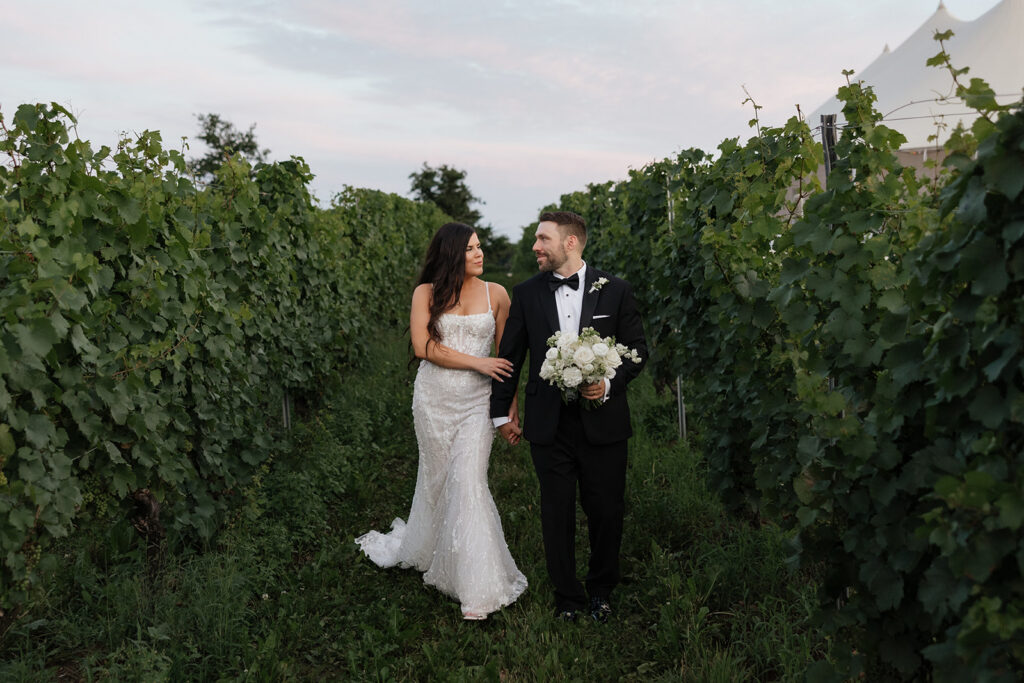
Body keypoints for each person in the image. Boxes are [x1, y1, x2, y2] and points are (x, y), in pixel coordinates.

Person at [355, 222, 527, 621]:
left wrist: (508, 408)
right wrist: (477, 361)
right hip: (432, 399)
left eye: (480, 247)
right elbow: (423, 346)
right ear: (451, 254)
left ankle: (476, 589)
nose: (479, 254)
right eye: (470, 249)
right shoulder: (426, 293)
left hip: (476, 404)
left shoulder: (497, 294)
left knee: (467, 480)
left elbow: (507, 360)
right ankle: (432, 548)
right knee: (437, 480)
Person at [490, 211, 647, 623]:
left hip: (604, 422)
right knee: (556, 511)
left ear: (571, 242)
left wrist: (608, 384)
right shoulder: (525, 293)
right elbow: (510, 356)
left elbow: (637, 350)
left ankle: (601, 591)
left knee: (606, 510)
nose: (535, 247)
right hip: (549, 423)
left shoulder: (615, 290)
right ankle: (567, 598)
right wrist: (499, 414)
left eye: (543, 239)